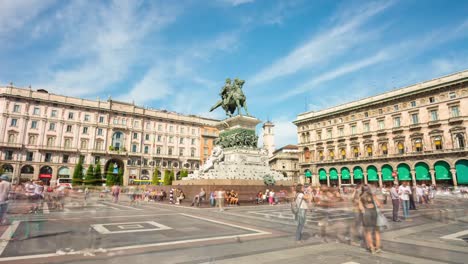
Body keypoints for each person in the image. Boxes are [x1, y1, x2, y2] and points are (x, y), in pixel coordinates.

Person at [358, 185, 382, 254]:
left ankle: (371, 248)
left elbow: (361, 208)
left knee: (368, 232)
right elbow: (379, 204)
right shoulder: (373, 196)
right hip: (374, 213)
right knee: (377, 231)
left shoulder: (361, 197)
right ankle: (378, 247)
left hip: (366, 213)